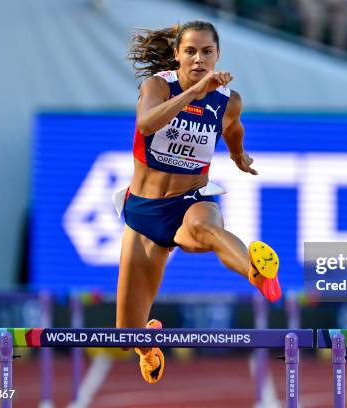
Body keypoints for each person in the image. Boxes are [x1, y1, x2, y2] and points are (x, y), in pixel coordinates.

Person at [118, 20, 282, 385]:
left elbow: (233, 127)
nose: (198, 59)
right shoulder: (158, 85)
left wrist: (239, 155)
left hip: (191, 198)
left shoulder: (228, 100)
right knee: (126, 333)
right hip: (145, 212)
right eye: (190, 51)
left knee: (205, 229)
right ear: (177, 54)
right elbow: (146, 124)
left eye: (207, 51)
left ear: (218, 55)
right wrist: (194, 93)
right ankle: (148, 344)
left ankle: (257, 272)